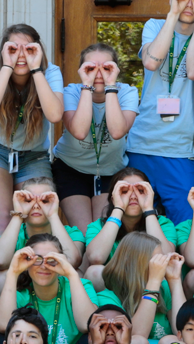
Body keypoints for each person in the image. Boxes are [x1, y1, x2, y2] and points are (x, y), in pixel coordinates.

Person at [128, 0, 194, 217]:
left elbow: (193, 71)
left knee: (185, 225)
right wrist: (172, 15)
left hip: (179, 150)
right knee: (133, 224)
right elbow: (150, 62)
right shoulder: (155, 25)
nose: (189, 3)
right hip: (141, 144)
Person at [0, 24, 64, 241]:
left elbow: (55, 115)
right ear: (4, 51)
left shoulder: (50, 73)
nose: (21, 55)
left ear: (38, 50)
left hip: (33, 155)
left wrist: (36, 70)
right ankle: (0, 274)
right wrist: (6, 67)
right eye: (14, 49)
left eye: (29, 49)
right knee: (3, 217)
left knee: (38, 216)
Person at [0, 236, 109, 344]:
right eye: (37, 259)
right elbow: (3, 326)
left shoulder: (80, 286)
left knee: (90, 338)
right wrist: (13, 272)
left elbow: (87, 325)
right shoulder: (21, 295)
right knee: (2, 341)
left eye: (52, 260)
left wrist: (71, 273)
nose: (43, 266)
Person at [54, 44, 140, 230]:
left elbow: (117, 132)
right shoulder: (71, 92)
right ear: (81, 70)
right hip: (71, 168)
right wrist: (87, 86)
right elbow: (79, 131)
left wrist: (111, 86)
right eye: (91, 68)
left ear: (116, 70)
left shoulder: (127, 92)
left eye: (106, 67)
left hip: (111, 170)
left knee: (102, 231)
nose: (98, 73)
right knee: (84, 232)